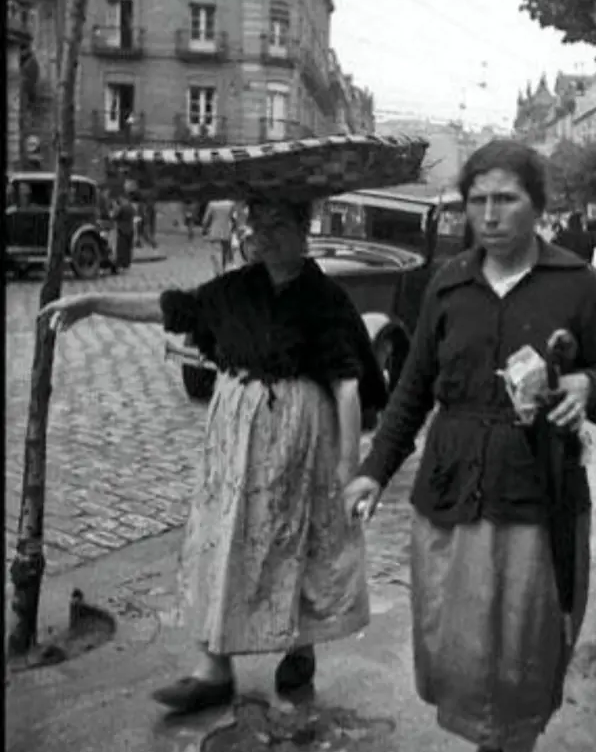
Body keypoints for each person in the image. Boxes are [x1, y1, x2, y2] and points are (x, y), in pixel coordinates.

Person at [343, 140, 596, 752]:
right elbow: (411, 390)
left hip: (539, 495)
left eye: (505, 199)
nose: (490, 214)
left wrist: (585, 390)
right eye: (477, 201)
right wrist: (374, 471)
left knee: (528, 647)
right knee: (462, 646)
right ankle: (491, 741)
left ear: (538, 204)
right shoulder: (447, 284)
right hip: (452, 495)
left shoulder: (577, 285)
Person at [41, 194, 389, 713]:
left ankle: (300, 642)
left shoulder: (325, 299)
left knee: (294, 538)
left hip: (299, 441)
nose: (263, 235)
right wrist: (93, 305)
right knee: (221, 538)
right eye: (257, 224)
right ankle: (212, 669)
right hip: (232, 440)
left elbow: (345, 387)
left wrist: (347, 470)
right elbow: (174, 308)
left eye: (277, 223)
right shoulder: (234, 289)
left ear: (302, 230)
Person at [203, 198, 236, 271]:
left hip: (215, 232)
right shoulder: (231, 204)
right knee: (224, 254)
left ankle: (218, 271)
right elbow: (234, 218)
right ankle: (223, 270)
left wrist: (205, 230)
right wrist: (233, 228)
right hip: (226, 232)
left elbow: (205, 220)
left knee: (216, 254)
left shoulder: (212, 204)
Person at [112, 192, 135, 271]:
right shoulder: (131, 207)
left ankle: (120, 262)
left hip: (122, 229)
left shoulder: (122, 208)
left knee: (121, 247)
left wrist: (115, 208)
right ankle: (127, 262)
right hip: (130, 229)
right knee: (128, 248)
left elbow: (115, 217)